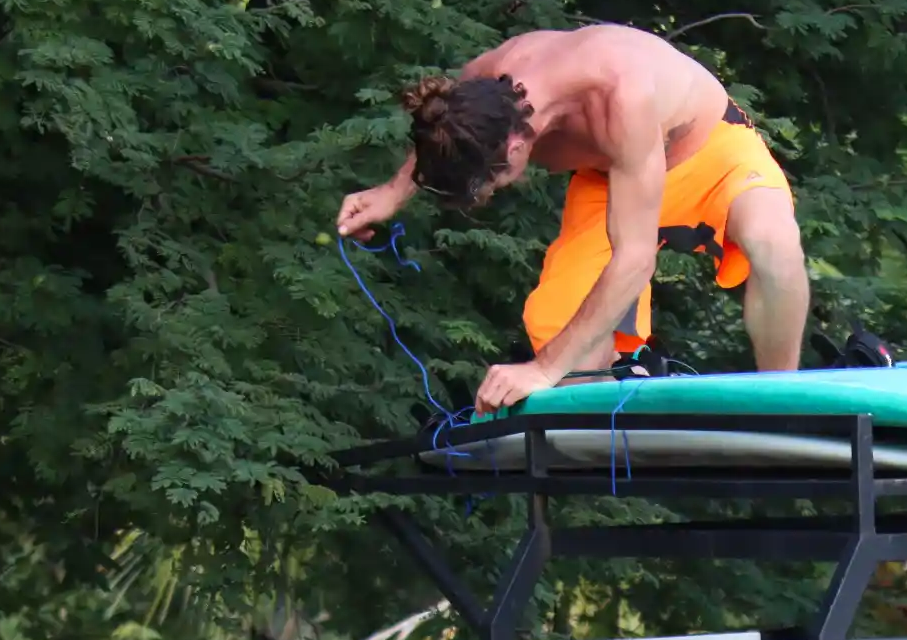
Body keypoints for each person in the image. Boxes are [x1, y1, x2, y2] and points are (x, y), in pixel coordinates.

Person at [336, 25, 810, 412]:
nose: (490, 196)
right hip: (610, 181)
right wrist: (393, 191)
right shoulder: (485, 82)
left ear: (516, 148)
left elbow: (634, 259)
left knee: (772, 244)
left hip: (712, 152)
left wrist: (541, 368)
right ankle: (634, 377)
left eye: (492, 183)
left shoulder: (619, 95)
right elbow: (443, 129)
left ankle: (784, 400)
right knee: (571, 361)